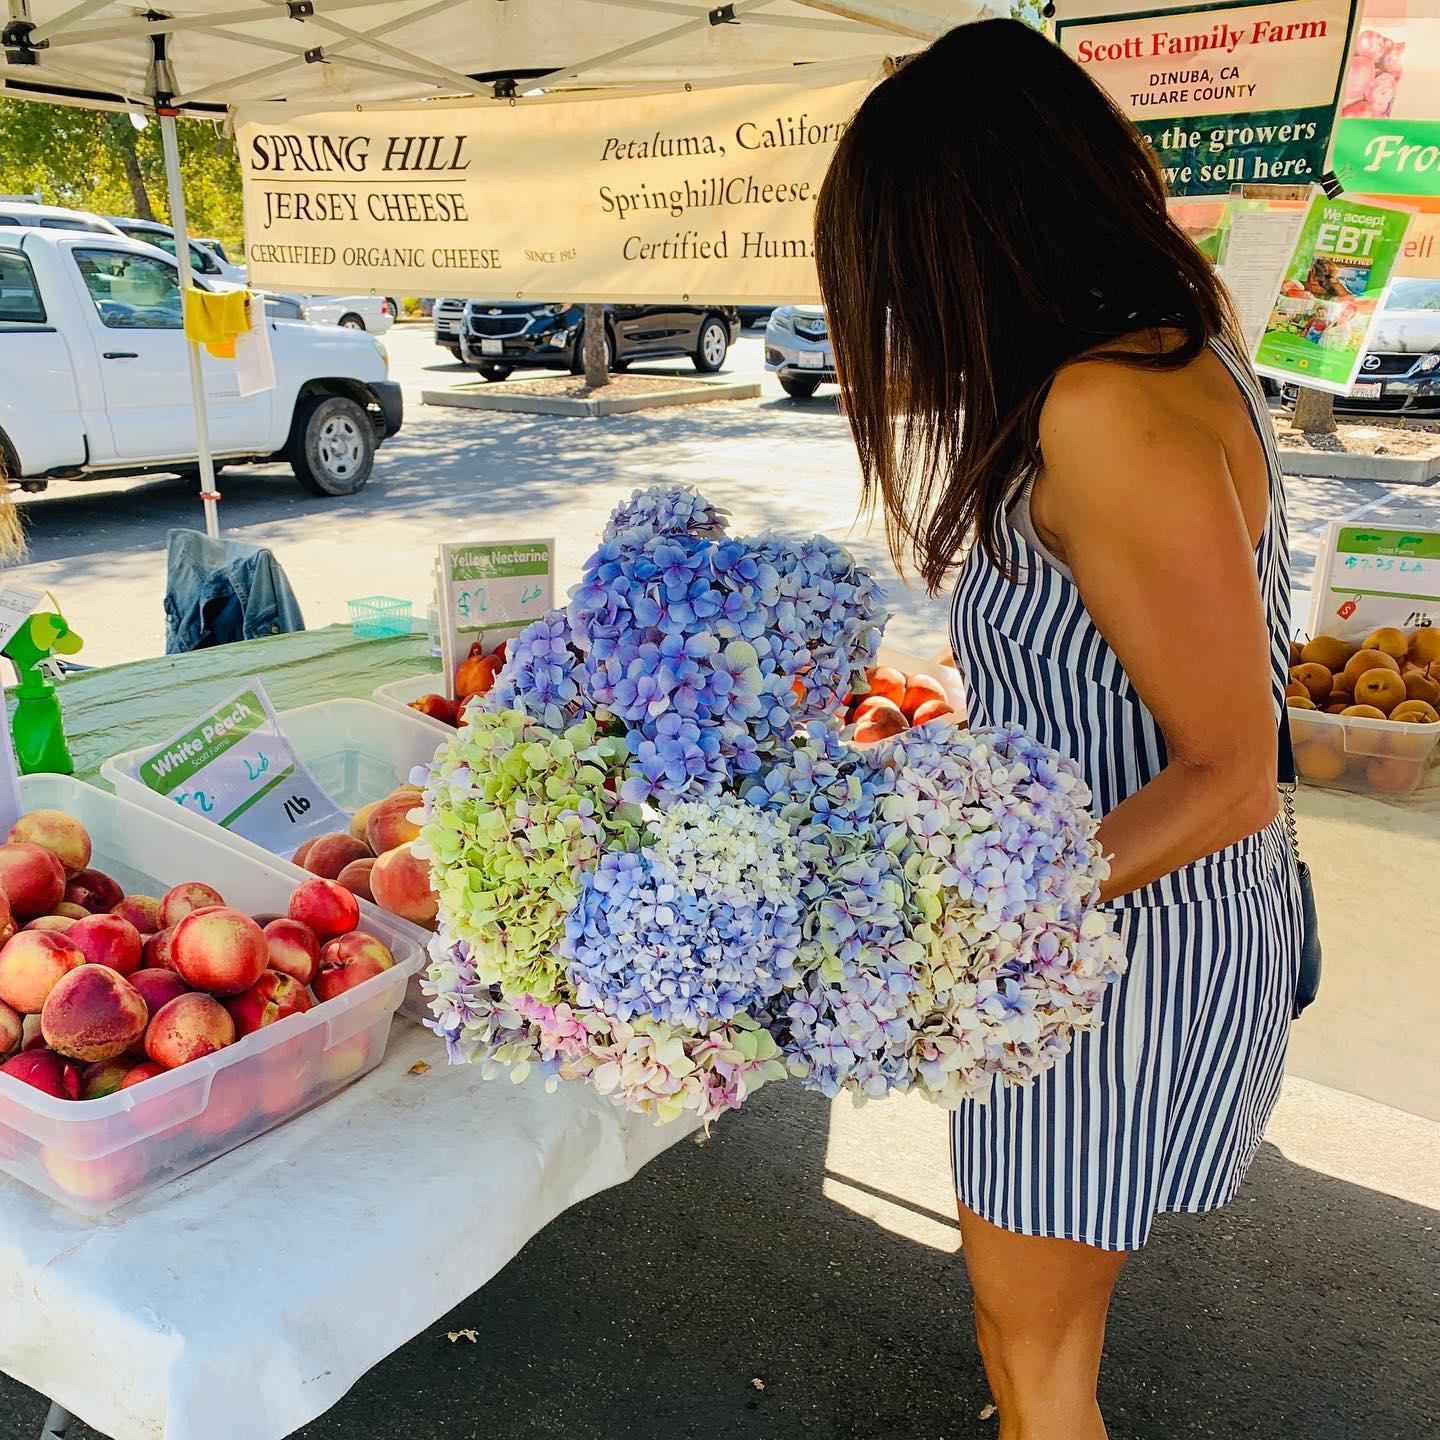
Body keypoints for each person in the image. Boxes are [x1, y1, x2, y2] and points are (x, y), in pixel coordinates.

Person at [814, 20, 1302, 1440]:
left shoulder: (1101, 403)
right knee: (1044, 1333)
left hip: (1108, 953)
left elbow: (1232, 776)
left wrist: (958, 917)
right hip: (1130, 926)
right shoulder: (1176, 350)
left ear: (969, 243)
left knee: (1032, 1351)